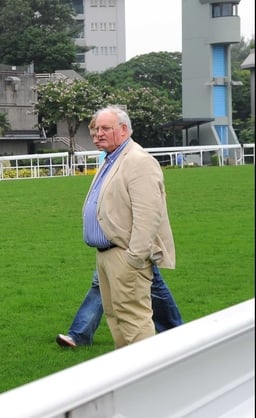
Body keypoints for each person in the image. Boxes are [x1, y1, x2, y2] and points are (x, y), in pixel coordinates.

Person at [57, 118, 183, 347]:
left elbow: (148, 214)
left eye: (105, 128)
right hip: (106, 254)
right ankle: (131, 369)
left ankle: (147, 368)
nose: (98, 134)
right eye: (95, 130)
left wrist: (134, 256)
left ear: (124, 129)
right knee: (117, 320)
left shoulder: (138, 161)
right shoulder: (111, 159)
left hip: (124, 254)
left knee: (134, 322)